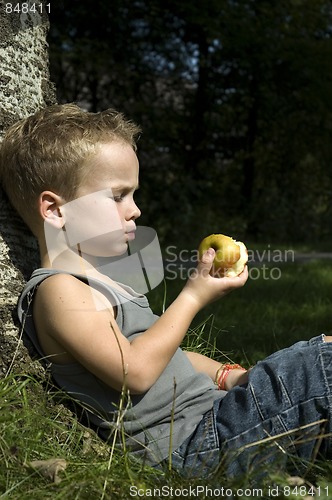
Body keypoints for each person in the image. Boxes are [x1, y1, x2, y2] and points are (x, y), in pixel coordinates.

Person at [0, 103, 331, 480]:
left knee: (316, 364)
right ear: (55, 210)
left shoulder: (102, 284)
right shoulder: (59, 289)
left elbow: (167, 355)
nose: (135, 210)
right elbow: (136, 371)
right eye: (118, 196)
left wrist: (228, 376)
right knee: (319, 364)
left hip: (215, 421)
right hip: (192, 447)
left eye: (133, 195)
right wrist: (192, 296)